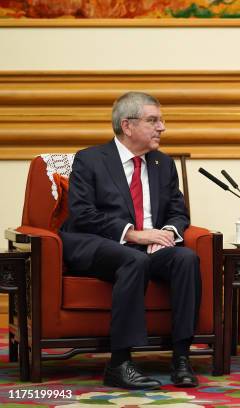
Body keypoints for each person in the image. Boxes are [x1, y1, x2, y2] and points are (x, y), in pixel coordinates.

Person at [60, 92, 201, 390]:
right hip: (99, 243)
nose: (161, 127)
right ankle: (120, 363)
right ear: (127, 125)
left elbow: (178, 212)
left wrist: (166, 235)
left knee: (186, 258)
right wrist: (133, 233)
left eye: (161, 120)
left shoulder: (163, 163)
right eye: (153, 120)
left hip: (148, 247)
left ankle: (181, 357)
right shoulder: (90, 159)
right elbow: (82, 214)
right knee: (133, 258)